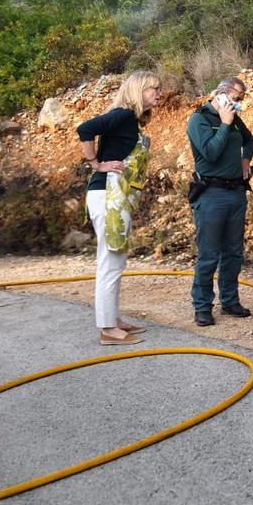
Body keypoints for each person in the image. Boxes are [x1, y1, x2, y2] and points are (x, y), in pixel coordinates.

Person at [76, 70, 164, 345]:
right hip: (107, 195)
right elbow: (85, 129)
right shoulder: (124, 114)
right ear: (138, 90)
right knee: (110, 261)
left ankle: (113, 319)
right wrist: (95, 163)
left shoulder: (132, 121)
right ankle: (107, 329)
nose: (159, 93)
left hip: (116, 197)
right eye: (154, 89)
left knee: (115, 259)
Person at [186, 77, 253, 326]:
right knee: (209, 254)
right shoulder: (199, 119)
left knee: (233, 252)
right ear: (222, 94)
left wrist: (245, 158)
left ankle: (230, 301)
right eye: (236, 99)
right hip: (211, 194)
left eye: (241, 100)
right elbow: (211, 152)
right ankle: (202, 306)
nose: (238, 105)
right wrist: (225, 125)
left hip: (235, 193)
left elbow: (250, 140)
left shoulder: (235, 119)